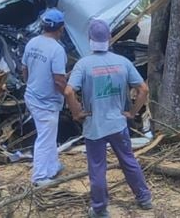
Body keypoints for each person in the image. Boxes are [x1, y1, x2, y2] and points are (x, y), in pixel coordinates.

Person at [65, 19, 152, 218]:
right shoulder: (123, 62)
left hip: (95, 126)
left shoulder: (83, 64)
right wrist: (131, 112)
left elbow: (69, 92)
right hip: (118, 124)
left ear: (89, 40)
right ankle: (144, 198)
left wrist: (77, 112)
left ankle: (100, 208)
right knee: (129, 161)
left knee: (97, 168)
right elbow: (143, 89)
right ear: (110, 38)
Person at [22, 8, 67, 186]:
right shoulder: (57, 50)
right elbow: (59, 80)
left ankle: (52, 166)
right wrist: (70, 97)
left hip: (32, 96)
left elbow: (24, 69)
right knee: (45, 137)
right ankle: (40, 176)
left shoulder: (32, 42)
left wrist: (31, 82)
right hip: (46, 101)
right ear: (61, 28)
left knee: (48, 134)